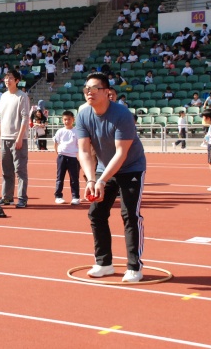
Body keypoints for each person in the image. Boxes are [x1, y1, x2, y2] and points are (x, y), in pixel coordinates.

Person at [76, 72, 147, 283]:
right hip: (103, 166)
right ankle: (104, 263)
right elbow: (84, 151)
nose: (89, 92)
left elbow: (121, 153)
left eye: (94, 88)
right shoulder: (83, 115)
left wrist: (101, 180)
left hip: (131, 167)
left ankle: (134, 266)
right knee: (96, 213)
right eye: (86, 89)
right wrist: (91, 180)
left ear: (107, 92)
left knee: (130, 215)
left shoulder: (122, 114)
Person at [0, 70, 30, 208]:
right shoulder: (3, 96)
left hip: (17, 138)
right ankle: (7, 197)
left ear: (17, 80)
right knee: (6, 171)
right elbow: (0, 118)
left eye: (10, 78)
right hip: (4, 137)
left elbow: (25, 118)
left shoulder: (22, 96)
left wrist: (20, 137)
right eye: (6, 78)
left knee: (20, 170)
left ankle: (22, 198)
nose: (7, 80)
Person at [53, 110, 80, 205]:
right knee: (60, 177)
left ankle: (75, 197)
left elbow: (79, 145)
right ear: (62, 120)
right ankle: (58, 196)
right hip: (62, 157)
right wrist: (58, 153)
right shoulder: (60, 131)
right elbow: (56, 143)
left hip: (73, 157)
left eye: (69, 119)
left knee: (74, 178)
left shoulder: (77, 131)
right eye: (65, 119)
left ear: (73, 120)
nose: (67, 121)